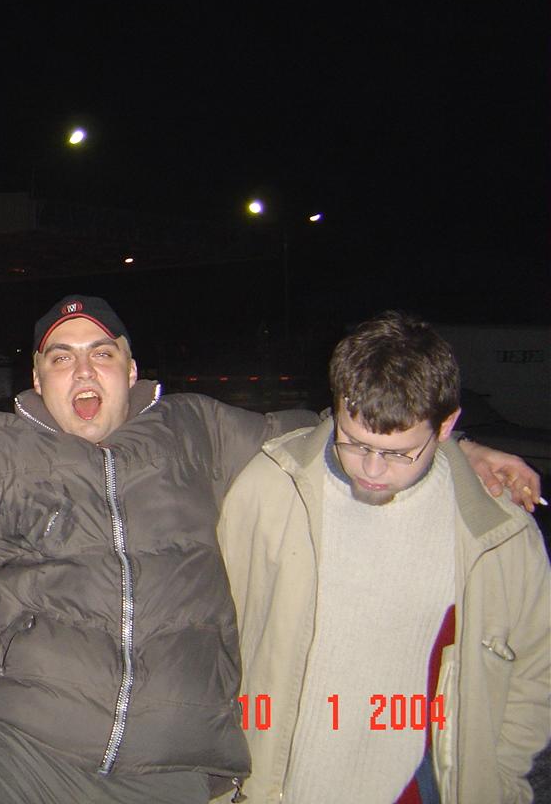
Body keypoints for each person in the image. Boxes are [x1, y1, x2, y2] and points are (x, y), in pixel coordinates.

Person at [0, 296, 542, 804]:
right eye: (60, 358)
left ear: (131, 368)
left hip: (181, 768)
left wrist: (460, 450)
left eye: (101, 353)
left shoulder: (197, 428)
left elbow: (332, 437)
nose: (83, 372)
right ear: (36, 379)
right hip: (22, 748)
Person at [215, 312, 550, 803]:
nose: (371, 470)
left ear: (447, 425)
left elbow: (535, 668)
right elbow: (218, 637)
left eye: (397, 453)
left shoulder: (496, 531)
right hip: (282, 787)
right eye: (355, 443)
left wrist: (500, 773)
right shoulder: (271, 489)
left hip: (421, 788)